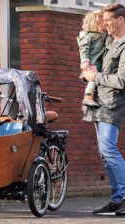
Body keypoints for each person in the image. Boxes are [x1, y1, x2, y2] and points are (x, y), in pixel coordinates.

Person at [83, 3, 125, 216]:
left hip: (112, 105)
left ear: (121, 20)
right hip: (99, 103)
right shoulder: (108, 41)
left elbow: (122, 80)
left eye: (108, 21)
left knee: (109, 149)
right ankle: (117, 200)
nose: (105, 24)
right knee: (104, 153)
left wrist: (95, 77)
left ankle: (124, 197)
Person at [77, 10, 106, 107]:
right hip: (92, 63)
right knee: (92, 80)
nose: (105, 23)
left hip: (97, 61)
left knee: (94, 80)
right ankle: (87, 97)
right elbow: (83, 48)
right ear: (96, 23)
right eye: (103, 21)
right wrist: (85, 60)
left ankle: (90, 97)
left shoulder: (101, 34)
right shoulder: (88, 35)